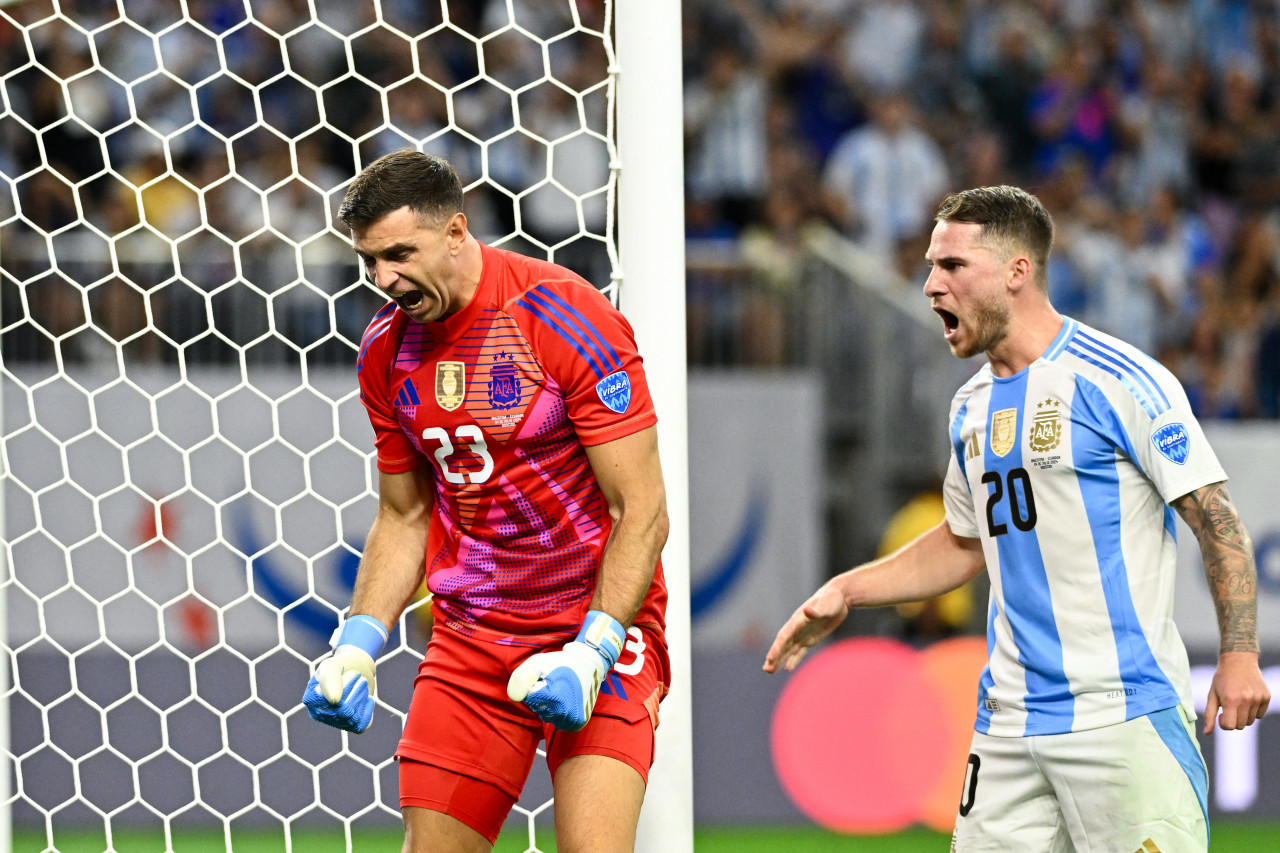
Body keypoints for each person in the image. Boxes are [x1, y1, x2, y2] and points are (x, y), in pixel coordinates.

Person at [764, 185, 1270, 851]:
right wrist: (847, 589)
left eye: (951, 266)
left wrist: (1238, 653)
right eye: (929, 266)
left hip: (1121, 715)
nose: (930, 286)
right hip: (1009, 722)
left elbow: (1216, 518)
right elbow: (963, 541)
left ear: (1016, 272)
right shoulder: (970, 406)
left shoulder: (1118, 380)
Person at [301, 149, 670, 853]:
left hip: (598, 622)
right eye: (370, 260)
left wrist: (592, 652)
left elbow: (642, 510)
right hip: (472, 633)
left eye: (399, 253)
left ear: (457, 232)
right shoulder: (384, 349)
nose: (384, 278)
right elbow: (405, 514)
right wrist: (356, 644)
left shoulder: (561, 315)